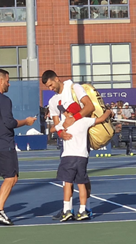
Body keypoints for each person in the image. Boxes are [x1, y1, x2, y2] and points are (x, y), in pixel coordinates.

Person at [0, 69, 37, 225]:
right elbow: (9, 122)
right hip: (4, 145)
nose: (9, 83)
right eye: (8, 80)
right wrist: (26, 121)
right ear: (0, 81)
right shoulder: (4, 100)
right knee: (12, 178)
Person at [41, 70, 97, 218]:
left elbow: (89, 107)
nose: (50, 88)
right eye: (48, 87)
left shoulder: (74, 88)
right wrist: (60, 133)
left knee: (82, 177)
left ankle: (87, 207)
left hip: (81, 139)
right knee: (67, 178)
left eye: (51, 85)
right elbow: (56, 124)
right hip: (66, 144)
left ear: (57, 79)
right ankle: (68, 209)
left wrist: (75, 118)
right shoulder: (53, 102)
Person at [56, 108, 114, 221]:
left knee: (67, 183)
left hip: (68, 156)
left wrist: (60, 133)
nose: (64, 113)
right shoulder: (85, 121)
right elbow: (101, 119)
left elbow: (55, 129)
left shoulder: (64, 122)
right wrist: (108, 111)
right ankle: (82, 210)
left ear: (70, 113)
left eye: (66, 111)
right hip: (82, 156)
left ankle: (67, 209)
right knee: (81, 184)